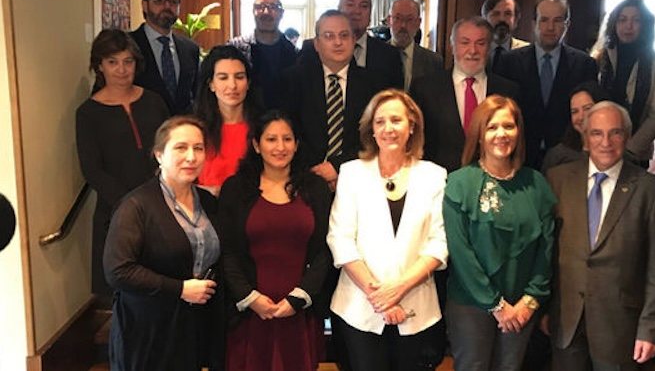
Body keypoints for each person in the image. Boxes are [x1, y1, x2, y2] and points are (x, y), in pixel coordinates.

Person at [546, 101, 655, 371]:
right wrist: (544, 308)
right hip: (565, 319)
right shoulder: (557, 180)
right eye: (596, 133)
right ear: (585, 138)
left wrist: (651, 328)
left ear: (627, 137)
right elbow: (545, 253)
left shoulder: (653, 191)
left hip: (620, 327)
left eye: (615, 132)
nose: (605, 142)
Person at [327, 89, 448, 371]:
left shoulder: (434, 175)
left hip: (416, 309)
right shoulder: (352, 173)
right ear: (371, 129)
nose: (388, 129)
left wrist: (398, 289)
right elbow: (340, 239)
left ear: (412, 125)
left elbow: (438, 243)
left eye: (396, 120)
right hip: (358, 309)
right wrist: (380, 298)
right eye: (380, 122)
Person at [443, 95, 555, 371]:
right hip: (471, 304)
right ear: (479, 135)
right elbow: (461, 252)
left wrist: (530, 300)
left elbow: (547, 248)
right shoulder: (460, 183)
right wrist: (496, 305)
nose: (501, 134)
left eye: (509, 126)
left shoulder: (537, 184)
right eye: (492, 127)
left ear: (519, 132)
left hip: (522, 305)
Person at [103, 116, 223, 371]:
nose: (191, 157)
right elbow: (118, 270)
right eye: (181, 148)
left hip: (191, 327)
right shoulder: (136, 206)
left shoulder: (208, 202)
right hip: (147, 330)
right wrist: (179, 288)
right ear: (159, 155)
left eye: (198, 148)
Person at [219, 110, 332, 371]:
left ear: (297, 144)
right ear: (257, 145)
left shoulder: (315, 189)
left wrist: (299, 297)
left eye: (287, 139)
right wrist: (249, 297)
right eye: (271, 139)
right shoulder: (235, 189)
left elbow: (324, 251)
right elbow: (227, 251)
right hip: (249, 313)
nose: (280, 147)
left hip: (300, 312)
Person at [76, 29, 169, 295]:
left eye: (128, 61)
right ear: (99, 66)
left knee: (163, 281)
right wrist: (130, 203)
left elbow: (170, 147)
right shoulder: (88, 113)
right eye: (113, 62)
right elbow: (91, 169)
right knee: (123, 287)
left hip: (162, 203)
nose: (121, 69)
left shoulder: (153, 101)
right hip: (116, 210)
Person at [494, 0, 597, 169]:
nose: (550, 27)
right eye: (544, 20)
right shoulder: (508, 62)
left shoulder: (584, 64)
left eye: (557, 20)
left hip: (567, 158)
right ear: (534, 23)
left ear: (567, 24)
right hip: (519, 154)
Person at [410, 16, 520, 173]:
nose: (473, 50)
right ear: (452, 46)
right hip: (440, 184)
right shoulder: (424, 88)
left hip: (493, 181)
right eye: (465, 42)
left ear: (489, 47)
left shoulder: (508, 91)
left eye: (480, 43)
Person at [285, 9, 379, 190]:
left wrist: (337, 167)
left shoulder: (373, 85)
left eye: (344, 35)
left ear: (353, 41)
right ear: (317, 44)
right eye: (329, 36)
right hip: (302, 178)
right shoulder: (294, 80)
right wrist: (316, 173)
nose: (338, 42)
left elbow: (373, 136)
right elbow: (288, 130)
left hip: (358, 179)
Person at [591, 0, 655, 168]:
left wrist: (630, 150)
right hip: (597, 147)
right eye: (622, 20)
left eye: (636, 20)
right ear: (614, 24)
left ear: (644, 25)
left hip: (635, 153)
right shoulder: (600, 58)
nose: (628, 26)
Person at [300, 0, 404, 90]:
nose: (357, 11)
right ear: (338, 10)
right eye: (350, 5)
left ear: (370, 14)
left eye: (364, 6)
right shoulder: (312, 48)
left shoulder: (389, 55)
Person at [130, 0, 201, 115]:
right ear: (144, 5)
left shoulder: (190, 49)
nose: (167, 6)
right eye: (159, 1)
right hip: (142, 131)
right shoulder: (128, 45)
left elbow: (196, 95)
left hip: (182, 132)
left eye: (173, 1)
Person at [194, 45, 258, 196]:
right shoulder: (194, 129)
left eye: (239, 77)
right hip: (205, 211)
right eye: (223, 77)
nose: (232, 85)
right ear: (211, 84)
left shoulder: (262, 128)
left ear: (248, 83)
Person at [228, 0, 298, 110]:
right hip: (246, 121)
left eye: (273, 7)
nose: (266, 12)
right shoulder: (234, 50)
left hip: (283, 124)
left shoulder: (295, 54)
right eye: (260, 7)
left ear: (281, 13)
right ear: (253, 11)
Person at [541, 81, 609, 173]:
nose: (581, 117)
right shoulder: (557, 156)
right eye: (575, 112)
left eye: (587, 108)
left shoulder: (616, 152)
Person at [387, 0, 443, 91]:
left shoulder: (433, 62)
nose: (403, 25)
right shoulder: (375, 56)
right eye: (398, 18)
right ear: (389, 21)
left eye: (409, 19)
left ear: (418, 23)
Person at [480, 0, 530, 69]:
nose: (502, 19)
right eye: (496, 14)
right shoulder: (475, 50)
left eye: (508, 14)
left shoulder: (528, 52)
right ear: (485, 20)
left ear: (515, 21)